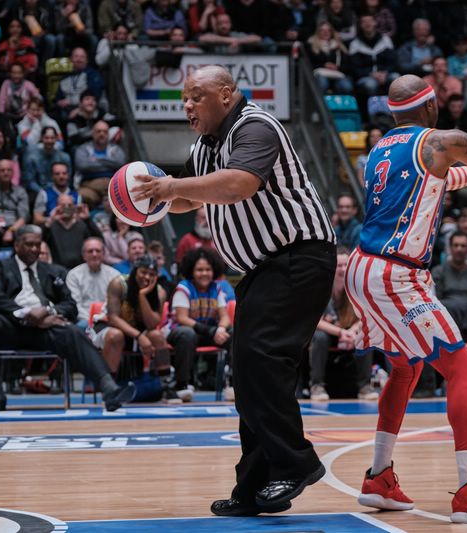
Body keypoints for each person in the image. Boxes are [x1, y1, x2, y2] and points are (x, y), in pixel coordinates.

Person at [131, 65, 336, 516]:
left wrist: (172, 185)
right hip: (266, 269)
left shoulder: (255, 127)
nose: (187, 106)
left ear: (226, 95)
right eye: (183, 98)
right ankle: (256, 485)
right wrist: (148, 202)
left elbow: (240, 183)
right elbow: (188, 198)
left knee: (261, 359)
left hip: (299, 258)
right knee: (245, 370)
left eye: (196, 96)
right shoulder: (204, 147)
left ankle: (295, 463)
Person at [345, 74, 467, 524]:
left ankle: (379, 478)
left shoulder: (380, 150)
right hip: (396, 273)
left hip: (362, 267)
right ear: (432, 107)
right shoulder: (441, 139)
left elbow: (453, 176)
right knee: (465, 368)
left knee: (404, 367)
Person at [0, 225, 135, 412]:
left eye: (37, 244)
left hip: (46, 329)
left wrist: (48, 310)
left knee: (73, 331)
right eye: (28, 244)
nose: (34, 248)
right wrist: (27, 315)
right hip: (11, 327)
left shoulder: (54, 271)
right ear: (16, 246)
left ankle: (109, 389)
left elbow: (70, 306)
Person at [92, 254, 176, 400]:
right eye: (143, 272)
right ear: (135, 271)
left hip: (138, 331)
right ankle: (109, 388)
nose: (147, 277)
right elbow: (113, 318)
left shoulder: (160, 292)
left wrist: (142, 296)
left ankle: (167, 386)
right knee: (115, 335)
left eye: (151, 274)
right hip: (108, 327)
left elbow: (152, 324)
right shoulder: (118, 284)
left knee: (157, 336)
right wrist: (139, 336)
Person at [309, 248, 376, 402]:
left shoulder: (357, 288)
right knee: (319, 337)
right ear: (332, 267)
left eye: (346, 265)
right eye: (339, 265)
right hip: (329, 333)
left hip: (350, 332)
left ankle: (365, 386)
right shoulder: (320, 288)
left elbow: (367, 315)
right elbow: (314, 320)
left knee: (364, 334)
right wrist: (340, 333)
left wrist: (352, 331)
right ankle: (317, 386)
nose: (343, 269)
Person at [166, 247, 232, 400]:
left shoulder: (216, 288)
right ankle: (182, 384)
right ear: (192, 271)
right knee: (187, 334)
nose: (204, 273)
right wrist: (211, 331)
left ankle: (233, 383)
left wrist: (221, 329)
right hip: (178, 332)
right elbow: (182, 318)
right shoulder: (184, 287)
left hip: (205, 332)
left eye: (208, 269)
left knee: (233, 333)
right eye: (200, 269)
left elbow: (225, 317)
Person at [431, 232, 467, 340]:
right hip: (448, 317)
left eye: (463, 246)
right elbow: (437, 302)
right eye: (456, 245)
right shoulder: (438, 271)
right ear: (450, 248)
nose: (459, 249)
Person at [66, 237, 120, 328]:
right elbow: (75, 305)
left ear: (103, 254)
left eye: (98, 251)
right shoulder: (74, 275)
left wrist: (103, 318)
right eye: (90, 251)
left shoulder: (114, 275)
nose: (94, 254)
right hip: (83, 319)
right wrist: (92, 320)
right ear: (84, 255)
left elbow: (116, 304)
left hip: (108, 318)